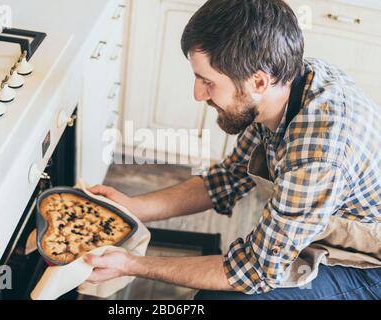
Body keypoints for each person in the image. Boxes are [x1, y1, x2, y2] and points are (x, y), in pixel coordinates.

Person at [83, 0, 381, 300]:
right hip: (317, 227)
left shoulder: (318, 153)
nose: (198, 94)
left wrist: (131, 264)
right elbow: (227, 180)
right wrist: (131, 208)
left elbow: (256, 271)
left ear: (259, 81)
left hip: (370, 266)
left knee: (218, 300)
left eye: (207, 81)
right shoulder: (282, 85)